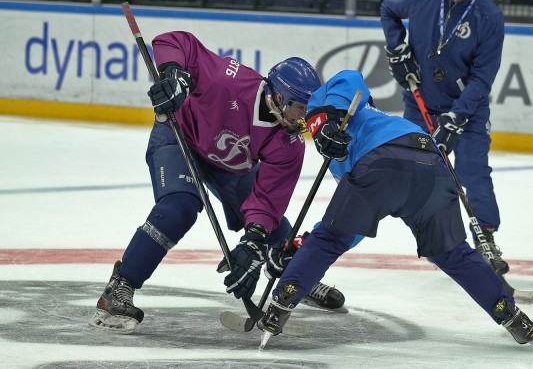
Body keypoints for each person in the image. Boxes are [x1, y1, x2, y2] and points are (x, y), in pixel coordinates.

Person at [257, 70, 533, 351]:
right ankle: (513, 317)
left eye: (296, 106)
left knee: (329, 240)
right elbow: (351, 225)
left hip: (383, 160)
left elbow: (350, 77)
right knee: (453, 253)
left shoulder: (327, 105)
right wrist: (303, 245)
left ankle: (281, 304)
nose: (296, 115)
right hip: (430, 162)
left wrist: (326, 121)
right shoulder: (371, 126)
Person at [88, 31, 344, 334]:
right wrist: (175, 75)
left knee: (271, 226)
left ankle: (298, 275)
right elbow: (176, 42)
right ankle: (119, 288)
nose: (304, 118)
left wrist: (252, 242)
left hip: (230, 165)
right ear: (278, 97)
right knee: (179, 208)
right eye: (299, 108)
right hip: (180, 139)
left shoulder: (288, 144)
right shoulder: (229, 81)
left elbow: (268, 200)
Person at [380, 0, 509, 274]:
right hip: (420, 103)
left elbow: (483, 78)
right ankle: (438, 236)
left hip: (466, 111)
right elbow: (389, 9)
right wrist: (398, 49)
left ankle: (486, 236)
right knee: (417, 172)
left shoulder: (488, 17)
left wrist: (456, 117)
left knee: (472, 170)